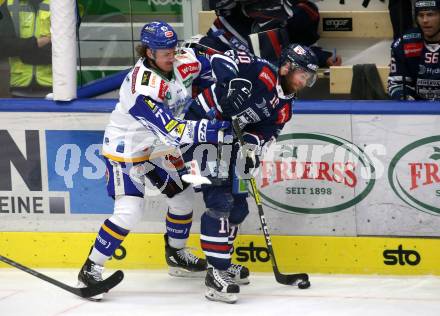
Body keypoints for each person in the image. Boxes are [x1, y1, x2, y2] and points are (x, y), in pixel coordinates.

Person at [77, 21, 232, 299]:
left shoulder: (179, 61)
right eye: (165, 52)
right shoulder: (142, 87)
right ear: (148, 52)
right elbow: (172, 131)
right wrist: (213, 128)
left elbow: (213, 66)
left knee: (183, 200)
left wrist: (226, 79)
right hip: (126, 151)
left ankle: (175, 254)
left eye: (174, 48)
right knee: (129, 212)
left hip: (155, 150)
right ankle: (90, 268)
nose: (172, 55)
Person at [184, 43, 318, 303]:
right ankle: (216, 271)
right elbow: (222, 56)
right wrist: (229, 82)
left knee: (238, 209)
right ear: (287, 67)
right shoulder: (260, 71)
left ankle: (222, 258)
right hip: (199, 131)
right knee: (220, 202)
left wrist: (253, 146)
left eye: (308, 77)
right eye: (303, 74)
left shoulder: (285, 107)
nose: (305, 81)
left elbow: (267, 133)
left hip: (230, 143)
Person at [201, 0, 341, 67]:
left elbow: (289, 51)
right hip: (220, 43)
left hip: (256, 61)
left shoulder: (303, 12)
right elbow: (218, 6)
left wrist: (321, 58)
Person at [388, 0, 440, 100]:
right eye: (421, 15)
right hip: (417, 111)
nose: (425, 20)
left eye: (430, 14)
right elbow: (397, 84)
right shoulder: (405, 43)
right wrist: (407, 100)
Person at [0, 0, 52, 97]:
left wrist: (21, 49)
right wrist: (37, 43)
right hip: (19, 86)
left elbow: (64, 46)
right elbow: (3, 46)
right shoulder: (7, 3)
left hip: (55, 87)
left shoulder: (62, 3)